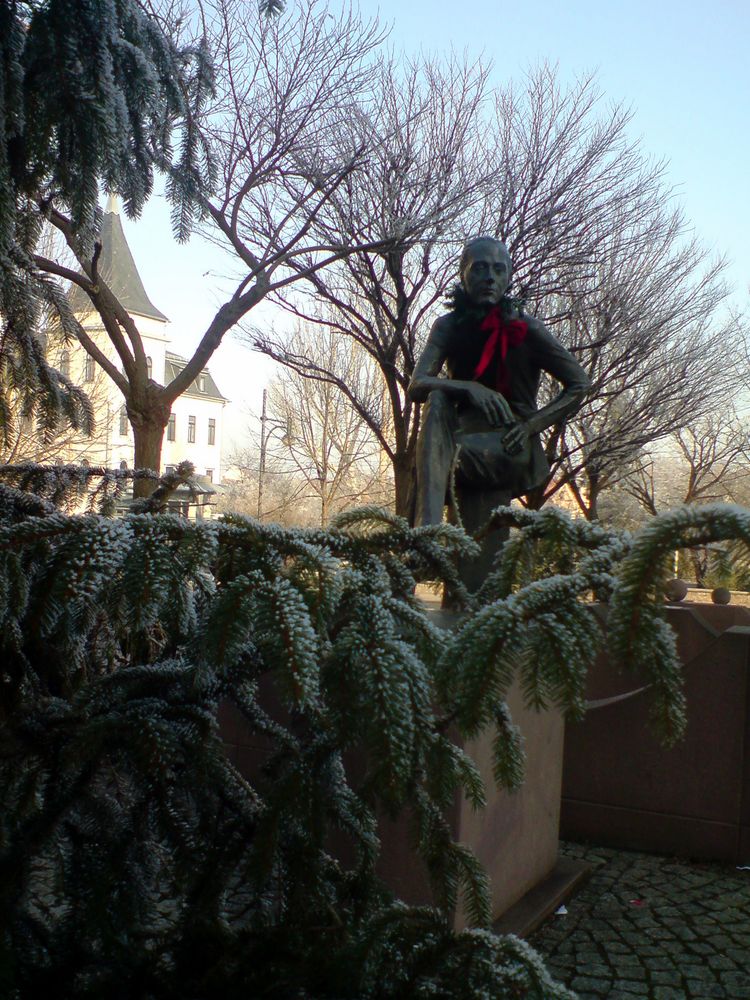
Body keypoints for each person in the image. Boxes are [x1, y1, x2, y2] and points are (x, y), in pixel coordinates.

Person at [408, 236, 591, 592]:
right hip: (458, 437)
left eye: (498, 269)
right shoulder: (448, 326)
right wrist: (467, 386)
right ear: (463, 274)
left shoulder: (527, 329)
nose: (489, 276)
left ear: (508, 278)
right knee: (438, 402)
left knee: (435, 458)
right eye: (479, 267)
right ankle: (429, 534)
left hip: (509, 442)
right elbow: (418, 384)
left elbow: (580, 384)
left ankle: (426, 537)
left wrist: (530, 426)